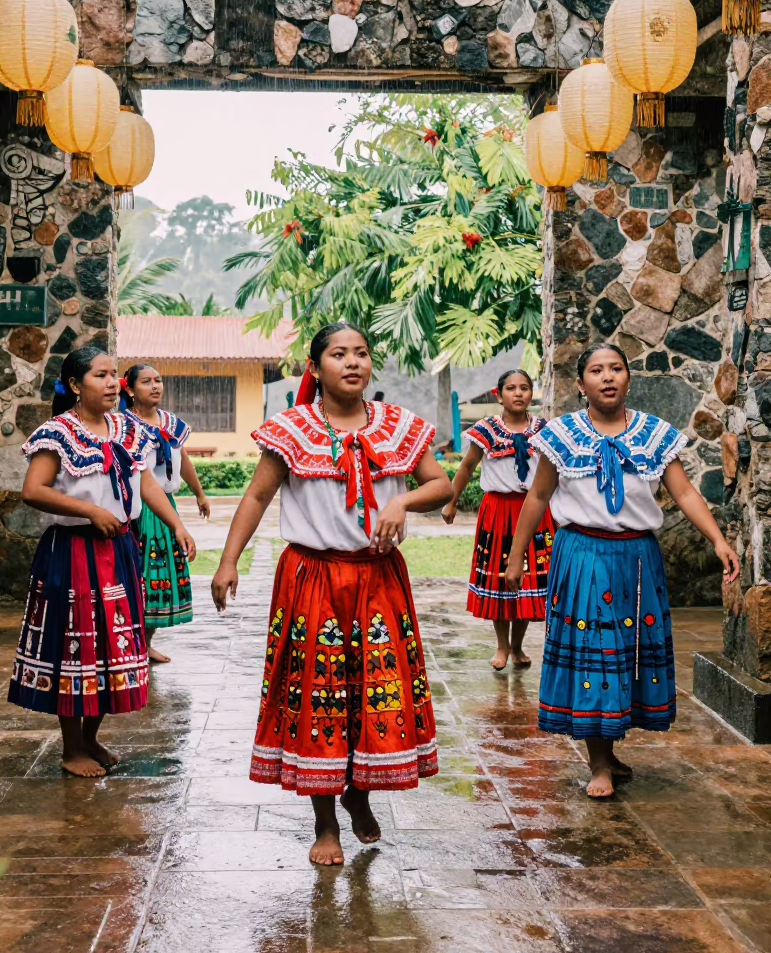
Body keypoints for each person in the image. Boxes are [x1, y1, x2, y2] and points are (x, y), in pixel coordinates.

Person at [210, 322, 452, 867]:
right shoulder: (291, 430)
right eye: (338, 354)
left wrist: (402, 503)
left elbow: (442, 485)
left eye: (361, 353)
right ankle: (325, 824)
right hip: (312, 580)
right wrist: (228, 562)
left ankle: (358, 794)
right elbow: (255, 496)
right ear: (315, 369)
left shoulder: (399, 427)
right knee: (319, 697)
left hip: (378, 580)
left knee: (373, 693)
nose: (352, 363)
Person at [506, 344, 739, 799]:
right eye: (596, 370)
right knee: (597, 652)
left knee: (627, 654)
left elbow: (686, 492)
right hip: (582, 556)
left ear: (629, 378)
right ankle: (598, 763)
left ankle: (608, 749)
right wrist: (516, 557)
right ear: (581, 384)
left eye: (616, 368)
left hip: (637, 559)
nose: (607, 377)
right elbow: (537, 498)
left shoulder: (653, 435)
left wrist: (717, 538)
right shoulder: (562, 435)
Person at [8, 346, 197, 778]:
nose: (112, 383)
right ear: (75, 385)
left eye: (114, 375)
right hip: (72, 552)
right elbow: (33, 490)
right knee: (76, 647)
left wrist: (176, 524)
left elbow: (145, 482)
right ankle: (71, 747)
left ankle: (91, 737)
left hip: (117, 551)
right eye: (100, 375)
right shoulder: (58, 433)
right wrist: (89, 511)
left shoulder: (127, 429)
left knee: (115, 646)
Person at [442, 369, 554, 670]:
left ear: (532, 393)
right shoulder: (487, 430)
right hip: (498, 514)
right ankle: (502, 646)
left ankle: (518, 646)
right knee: (500, 579)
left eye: (525, 388)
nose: (518, 394)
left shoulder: (545, 430)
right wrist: (451, 502)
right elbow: (466, 467)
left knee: (529, 582)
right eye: (511, 388)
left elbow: (555, 475)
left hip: (535, 513)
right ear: (498, 394)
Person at [120, 363, 210, 664]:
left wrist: (199, 492)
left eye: (158, 380)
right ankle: (131, 644)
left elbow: (181, 458)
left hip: (165, 506)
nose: (155, 386)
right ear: (130, 390)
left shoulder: (170, 423)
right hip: (137, 509)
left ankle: (145, 644)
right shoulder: (123, 425)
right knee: (142, 575)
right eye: (146, 382)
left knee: (163, 578)